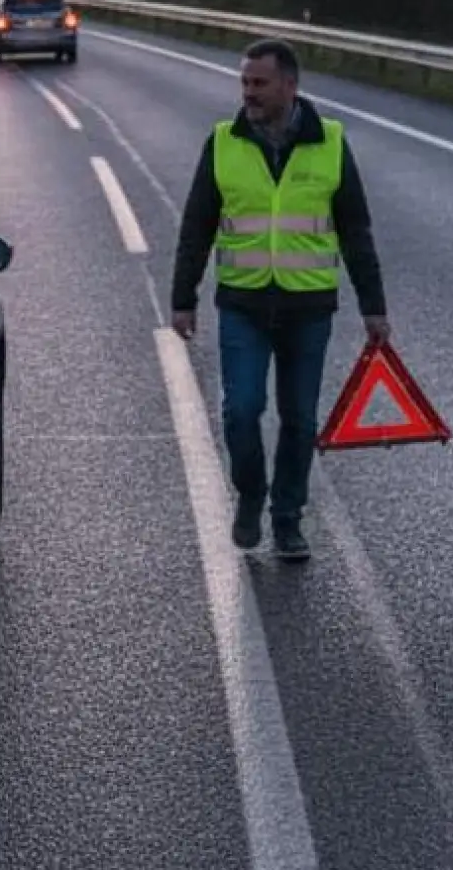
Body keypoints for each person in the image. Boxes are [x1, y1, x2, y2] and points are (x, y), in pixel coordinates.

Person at [169, 39, 388, 560]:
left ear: (290, 86)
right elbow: (196, 226)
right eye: (244, 82)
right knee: (241, 411)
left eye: (259, 83)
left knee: (300, 420)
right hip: (243, 304)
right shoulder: (222, 141)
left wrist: (373, 306)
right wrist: (183, 298)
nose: (249, 92)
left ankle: (288, 519)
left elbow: (355, 230)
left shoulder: (331, 142)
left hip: (307, 308)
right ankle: (250, 495)